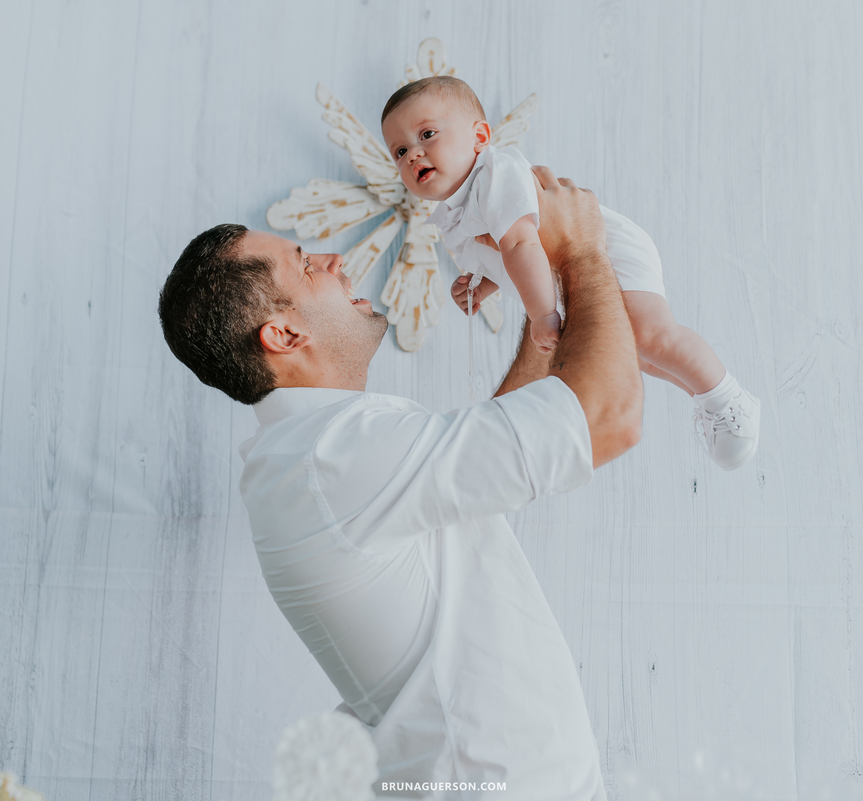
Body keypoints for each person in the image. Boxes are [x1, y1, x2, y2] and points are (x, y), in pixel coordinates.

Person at [158, 167, 639, 799]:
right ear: (283, 334)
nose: (332, 260)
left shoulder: (312, 458)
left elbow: (497, 448)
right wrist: (580, 249)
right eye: (305, 265)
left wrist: (542, 295)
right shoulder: (333, 454)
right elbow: (607, 418)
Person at [381, 75, 761, 471]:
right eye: (400, 151)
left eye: (427, 134)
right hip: (568, 272)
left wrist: (543, 316)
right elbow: (505, 255)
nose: (413, 155)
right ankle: (707, 398)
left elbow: (521, 244)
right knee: (633, 352)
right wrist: (484, 285)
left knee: (652, 335)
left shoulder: (494, 175)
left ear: (479, 136)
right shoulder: (453, 215)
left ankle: (730, 399)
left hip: (606, 251)